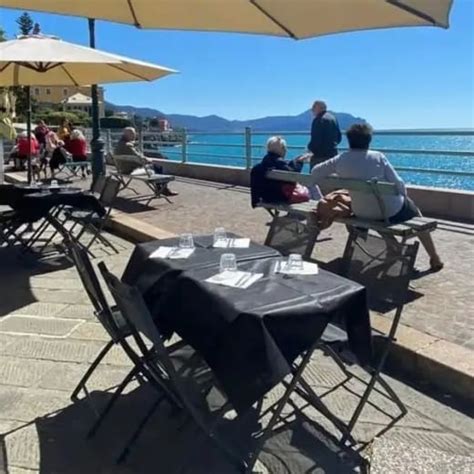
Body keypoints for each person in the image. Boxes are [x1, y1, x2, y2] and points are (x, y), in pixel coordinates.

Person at [310, 123, 443, 271]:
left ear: (349, 140)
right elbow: (398, 183)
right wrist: (404, 198)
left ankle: (393, 248)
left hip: (361, 213)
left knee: (375, 215)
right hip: (389, 211)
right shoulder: (378, 157)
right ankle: (434, 257)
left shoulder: (341, 159)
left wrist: (339, 176)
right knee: (415, 215)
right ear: (369, 140)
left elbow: (315, 172)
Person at [114, 126, 178, 197]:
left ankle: (160, 188)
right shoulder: (128, 146)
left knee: (155, 167)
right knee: (158, 167)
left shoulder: (119, 144)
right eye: (133, 134)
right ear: (129, 135)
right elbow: (141, 158)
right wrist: (148, 160)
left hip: (121, 169)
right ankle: (163, 189)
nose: (135, 135)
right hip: (131, 171)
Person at [250, 136, 308, 207]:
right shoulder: (279, 162)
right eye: (285, 148)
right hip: (281, 197)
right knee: (312, 187)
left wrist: (294, 161)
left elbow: (286, 169)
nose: (286, 150)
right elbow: (293, 175)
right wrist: (299, 162)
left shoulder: (260, 166)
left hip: (266, 197)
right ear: (282, 149)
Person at [307, 100, 342, 169]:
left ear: (320, 108)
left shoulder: (318, 120)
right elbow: (339, 137)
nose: (312, 109)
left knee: (315, 177)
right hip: (333, 155)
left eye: (314, 107)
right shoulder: (333, 118)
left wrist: (309, 148)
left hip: (320, 157)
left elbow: (316, 141)